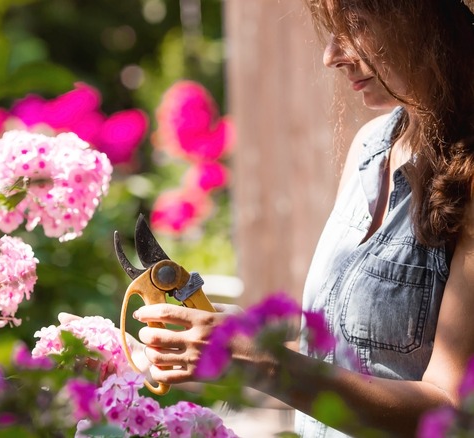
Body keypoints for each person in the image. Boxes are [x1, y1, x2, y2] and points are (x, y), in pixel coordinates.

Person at [116, 1, 474, 436]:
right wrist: (235, 343)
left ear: (423, 17)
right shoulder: (370, 147)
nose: (331, 55)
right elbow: (343, 362)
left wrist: (261, 360)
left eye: (354, 25)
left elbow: (451, 410)